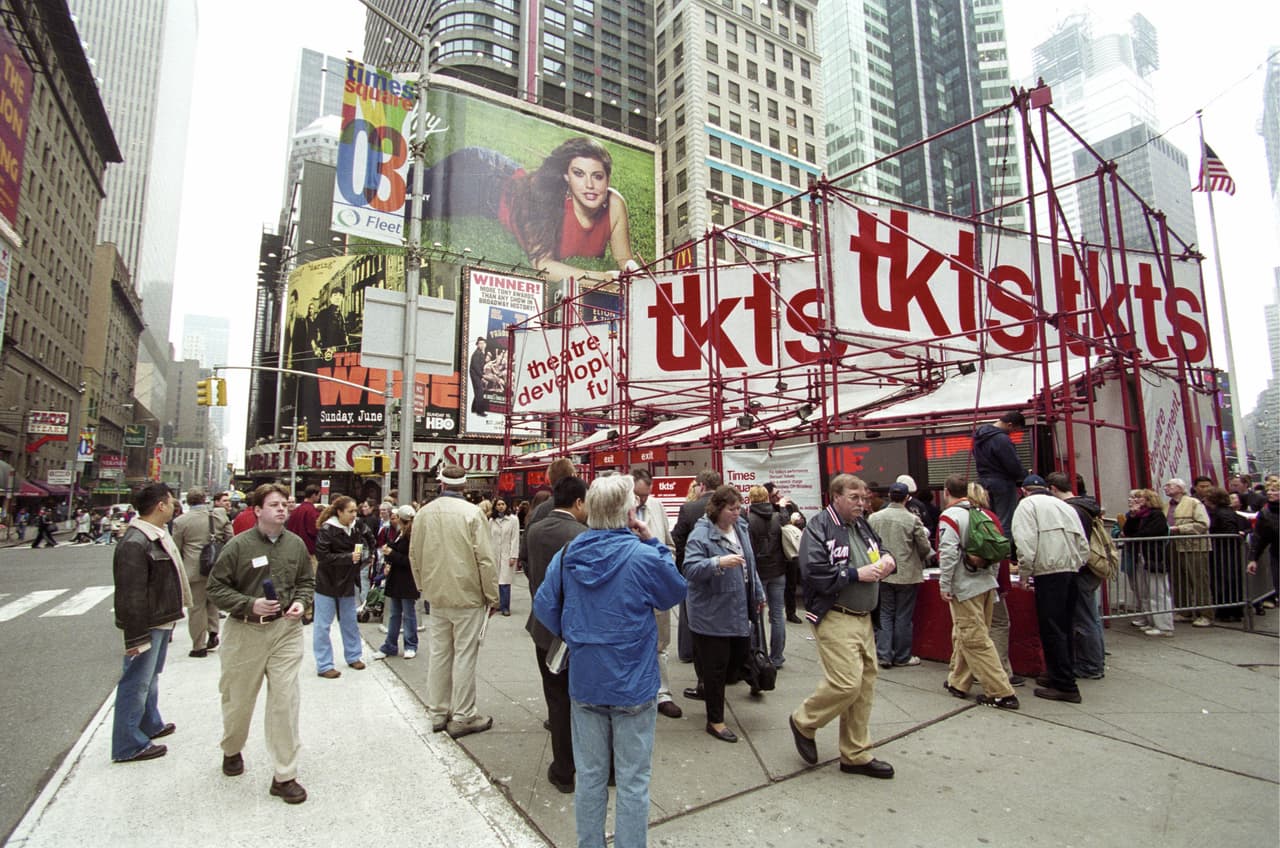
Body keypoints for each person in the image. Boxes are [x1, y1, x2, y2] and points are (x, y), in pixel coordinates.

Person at [533, 474, 686, 848]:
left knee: (589, 777)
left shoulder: (568, 554)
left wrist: (576, 632)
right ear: (629, 512)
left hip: (585, 680)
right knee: (633, 781)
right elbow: (674, 593)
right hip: (633, 681)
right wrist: (653, 540)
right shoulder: (643, 554)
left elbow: (544, 607)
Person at [207, 483, 314, 804]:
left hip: (285, 631)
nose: (282, 509)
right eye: (274, 504)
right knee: (238, 701)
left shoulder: (295, 545)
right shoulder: (238, 546)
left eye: (285, 504)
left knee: (285, 700)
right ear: (257, 510)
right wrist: (248, 604)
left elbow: (306, 582)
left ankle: (285, 775)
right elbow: (215, 588)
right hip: (245, 633)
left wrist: (300, 602)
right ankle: (232, 747)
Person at [788, 474, 898, 778]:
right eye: (854, 498)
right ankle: (804, 721)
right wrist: (854, 574)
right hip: (836, 615)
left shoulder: (862, 525)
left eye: (864, 498)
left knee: (864, 687)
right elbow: (813, 573)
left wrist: (888, 560)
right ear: (836, 496)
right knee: (847, 683)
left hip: (864, 618)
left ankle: (855, 754)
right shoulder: (818, 527)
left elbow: (880, 549)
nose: (862, 504)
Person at [420, 137, 636, 282]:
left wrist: (635, 274)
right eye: (579, 174)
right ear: (566, 177)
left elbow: (625, 260)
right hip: (484, 176)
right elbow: (543, 265)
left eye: (597, 176)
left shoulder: (614, 205)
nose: (590, 185)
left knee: (415, 185)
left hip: (494, 179)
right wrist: (602, 278)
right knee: (412, 198)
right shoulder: (544, 201)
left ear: (607, 178)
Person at [410, 464, 499, 738]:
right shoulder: (472, 513)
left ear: (441, 484)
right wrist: (492, 595)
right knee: (464, 656)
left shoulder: (423, 513)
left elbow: (415, 555)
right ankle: (463, 714)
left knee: (439, 653)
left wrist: (423, 586)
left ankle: (438, 711)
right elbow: (484, 558)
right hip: (468, 595)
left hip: (436, 596)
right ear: (464, 485)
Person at [110, 482, 189, 763]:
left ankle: (149, 723)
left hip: (160, 618)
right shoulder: (136, 541)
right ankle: (127, 743)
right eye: (171, 501)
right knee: (136, 681)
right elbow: (130, 594)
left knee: (150, 676)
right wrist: (135, 638)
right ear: (160, 506)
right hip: (148, 623)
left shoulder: (155, 534)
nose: (174, 506)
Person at [684, 485, 766, 743]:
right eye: (732, 509)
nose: (737, 513)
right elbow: (690, 569)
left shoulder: (740, 528)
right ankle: (715, 720)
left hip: (739, 607)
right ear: (718, 508)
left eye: (739, 508)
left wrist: (759, 592)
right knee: (716, 669)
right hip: (712, 613)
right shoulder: (701, 535)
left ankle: (711, 693)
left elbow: (750, 564)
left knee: (738, 659)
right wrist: (718, 562)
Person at [524, 476, 589, 794]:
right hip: (575, 631)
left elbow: (528, 569)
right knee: (581, 699)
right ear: (578, 502)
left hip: (543, 628)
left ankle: (563, 770)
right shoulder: (582, 535)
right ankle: (585, 762)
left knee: (556, 698)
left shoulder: (534, 530)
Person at [935, 475, 1018, 709]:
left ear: (946, 491)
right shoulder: (981, 514)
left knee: (975, 639)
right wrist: (990, 575)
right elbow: (996, 549)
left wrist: (945, 585)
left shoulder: (950, 517)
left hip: (965, 586)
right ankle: (958, 682)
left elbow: (948, 553)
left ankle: (1001, 692)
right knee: (969, 634)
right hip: (985, 584)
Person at [1011, 474, 1088, 703]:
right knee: (1065, 626)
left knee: (1051, 629)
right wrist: (1076, 563)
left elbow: (1025, 543)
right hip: (1070, 569)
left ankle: (1065, 685)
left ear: (1024, 491)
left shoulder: (1027, 506)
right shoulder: (1065, 506)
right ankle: (1060, 675)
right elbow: (1083, 543)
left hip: (1048, 571)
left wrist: (1025, 573)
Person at [1046, 471, 1106, 680]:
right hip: (1089, 567)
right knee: (1091, 616)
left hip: (1080, 568)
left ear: (1053, 489)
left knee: (1083, 618)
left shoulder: (1071, 510)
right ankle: (1095, 659)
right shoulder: (1087, 505)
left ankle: (1090, 665)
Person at [632, 468, 682, 718]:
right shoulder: (621, 512)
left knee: (661, 644)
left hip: (656, 586)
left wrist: (666, 563)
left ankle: (663, 694)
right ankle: (640, 690)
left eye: (645, 495)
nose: (641, 500)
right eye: (638, 495)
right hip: (631, 588)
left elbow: (669, 544)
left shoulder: (657, 506)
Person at [867, 481, 933, 669]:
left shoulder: (874, 518)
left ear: (889, 495)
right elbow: (924, 547)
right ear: (906, 498)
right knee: (903, 615)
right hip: (906, 573)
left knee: (885, 614)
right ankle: (902, 656)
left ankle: (884, 654)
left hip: (882, 572)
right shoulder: (912, 520)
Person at [312, 495, 372, 678]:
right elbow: (322, 557)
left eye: (356, 510)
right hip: (327, 582)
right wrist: (348, 558)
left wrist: (364, 558)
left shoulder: (357, 528)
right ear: (339, 512)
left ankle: (354, 656)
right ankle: (324, 664)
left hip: (347, 580)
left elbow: (367, 542)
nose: (355, 514)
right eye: (351, 511)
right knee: (322, 625)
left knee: (349, 622)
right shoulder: (327, 530)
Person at [171, 487, 233, 658]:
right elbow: (231, 539)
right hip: (217, 566)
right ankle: (213, 632)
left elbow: (176, 548)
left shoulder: (181, 521)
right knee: (212, 601)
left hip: (193, 568)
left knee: (197, 607)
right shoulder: (219, 516)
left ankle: (199, 645)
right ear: (205, 499)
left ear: (189, 502)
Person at [671, 469, 722, 670]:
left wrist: (684, 561)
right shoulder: (731, 509)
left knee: (688, 610)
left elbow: (677, 538)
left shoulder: (689, 508)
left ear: (701, 486)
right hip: (722, 566)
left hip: (693, 569)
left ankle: (687, 650)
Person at [746, 485, 788, 669]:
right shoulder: (778, 517)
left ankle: (759, 656)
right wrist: (782, 506)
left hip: (759, 573)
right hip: (778, 571)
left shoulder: (748, 520)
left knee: (757, 616)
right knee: (778, 614)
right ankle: (777, 656)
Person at [1122, 488, 1173, 636]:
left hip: (1154, 557)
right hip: (1142, 557)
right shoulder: (1139, 516)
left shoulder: (1156, 515)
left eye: (1140, 498)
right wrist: (1132, 515)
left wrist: (1133, 536)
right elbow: (1128, 531)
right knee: (1146, 592)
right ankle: (1152, 621)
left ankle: (1164, 626)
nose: (1136, 501)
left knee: (1158, 592)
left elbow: (1146, 533)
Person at [972, 410, 1028, 543]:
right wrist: (1025, 474)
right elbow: (1012, 464)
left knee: (988, 521)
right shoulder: (1002, 439)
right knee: (1005, 522)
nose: (1013, 433)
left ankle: (991, 553)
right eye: (1015, 430)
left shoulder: (978, 436)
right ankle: (1004, 559)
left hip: (983, 482)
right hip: (1002, 483)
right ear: (1009, 424)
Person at [373, 505, 421, 659]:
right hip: (398, 579)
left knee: (407, 614)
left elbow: (411, 561)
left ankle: (409, 644)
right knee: (396, 614)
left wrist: (391, 553)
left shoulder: (412, 535)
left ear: (400, 519)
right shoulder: (401, 533)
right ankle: (391, 645)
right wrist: (390, 552)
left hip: (406, 580)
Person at [1164, 478, 1212, 628]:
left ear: (1179, 488)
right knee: (1178, 580)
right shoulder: (1166, 506)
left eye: (1169, 485)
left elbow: (1203, 524)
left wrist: (1179, 529)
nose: (1165, 488)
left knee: (1198, 580)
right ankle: (1184, 611)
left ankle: (1205, 614)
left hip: (1194, 547)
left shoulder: (1193, 503)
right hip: (1174, 546)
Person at [1204, 486, 1250, 622]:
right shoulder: (1227, 512)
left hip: (1223, 552)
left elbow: (1229, 531)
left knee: (1224, 580)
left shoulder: (1220, 513)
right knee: (1230, 580)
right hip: (1228, 551)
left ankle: (1226, 610)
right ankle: (1233, 610)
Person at [1246, 480, 1279, 612]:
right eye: (1269, 490)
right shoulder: (1265, 513)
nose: (1270, 493)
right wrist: (1253, 559)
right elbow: (1259, 537)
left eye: (1275, 490)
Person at [490, 497, 520, 616]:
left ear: (506, 505)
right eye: (498, 504)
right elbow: (488, 537)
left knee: (505, 582)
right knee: (495, 581)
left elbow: (515, 538)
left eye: (503, 504)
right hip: (494, 553)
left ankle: (505, 607)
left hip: (507, 553)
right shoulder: (492, 520)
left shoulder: (513, 520)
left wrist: (513, 555)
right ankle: (497, 604)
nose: (501, 506)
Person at [896, 474, 940, 547]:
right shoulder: (887, 507)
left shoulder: (918, 505)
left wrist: (922, 535)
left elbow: (929, 525)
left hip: (916, 544)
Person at [780, 512, 805, 623]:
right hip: (791, 559)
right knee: (791, 587)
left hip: (795, 558)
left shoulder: (791, 526)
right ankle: (791, 613)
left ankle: (792, 612)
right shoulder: (786, 528)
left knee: (793, 587)